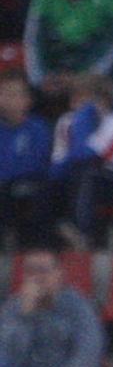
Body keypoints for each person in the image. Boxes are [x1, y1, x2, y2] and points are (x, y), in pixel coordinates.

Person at [48, 74, 113, 249]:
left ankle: (83, 236)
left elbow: (88, 155)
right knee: (47, 185)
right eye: (76, 98)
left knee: (86, 174)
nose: (78, 104)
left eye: (86, 98)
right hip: (85, 177)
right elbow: (57, 165)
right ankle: (42, 243)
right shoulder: (65, 122)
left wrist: (83, 123)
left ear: (103, 100)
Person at [0, 248, 105, 367]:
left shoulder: (79, 308)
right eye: (31, 271)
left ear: (58, 274)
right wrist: (26, 316)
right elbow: (7, 355)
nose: (37, 277)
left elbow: (87, 355)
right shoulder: (14, 309)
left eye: (43, 270)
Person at [0, 69, 53, 248]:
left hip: (30, 184)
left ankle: (34, 250)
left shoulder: (38, 128)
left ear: (27, 100)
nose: (8, 99)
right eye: (5, 94)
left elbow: (36, 163)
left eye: (15, 94)